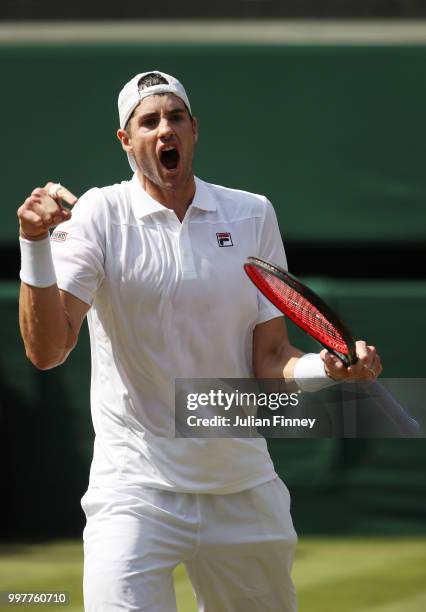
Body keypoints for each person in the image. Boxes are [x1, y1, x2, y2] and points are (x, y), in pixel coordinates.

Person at [17, 71, 382, 611]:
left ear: (193, 131)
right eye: (149, 121)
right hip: (134, 490)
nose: (165, 130)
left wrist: (327, 370)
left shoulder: (252, 213)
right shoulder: (99, 214)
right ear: (126, 140)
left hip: (242, 487)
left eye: (176, 118)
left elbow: (271, 360)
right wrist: (34, 244)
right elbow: (47, 351)